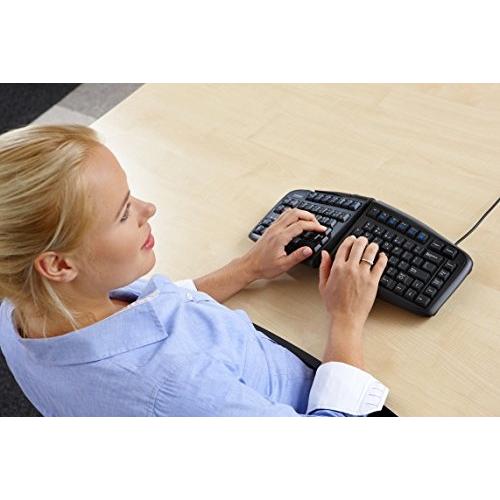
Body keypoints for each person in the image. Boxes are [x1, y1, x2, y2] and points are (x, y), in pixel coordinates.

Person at [0, 124, 389, 417]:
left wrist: (246, 268)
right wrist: (345, 318)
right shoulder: (177, 387)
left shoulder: (20, 305)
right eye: (123, 213)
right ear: (59, 264)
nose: (148, 208)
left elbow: (152, 309)